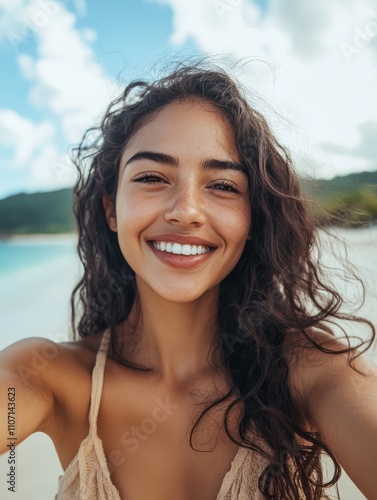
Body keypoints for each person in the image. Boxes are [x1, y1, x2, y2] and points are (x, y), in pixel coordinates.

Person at [1, 60, 377, 500]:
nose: (186, 210)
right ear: (111, 209)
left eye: (222, 186)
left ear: (253, 218)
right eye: (152, 178)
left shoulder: (313, 370)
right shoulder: (46, 376)